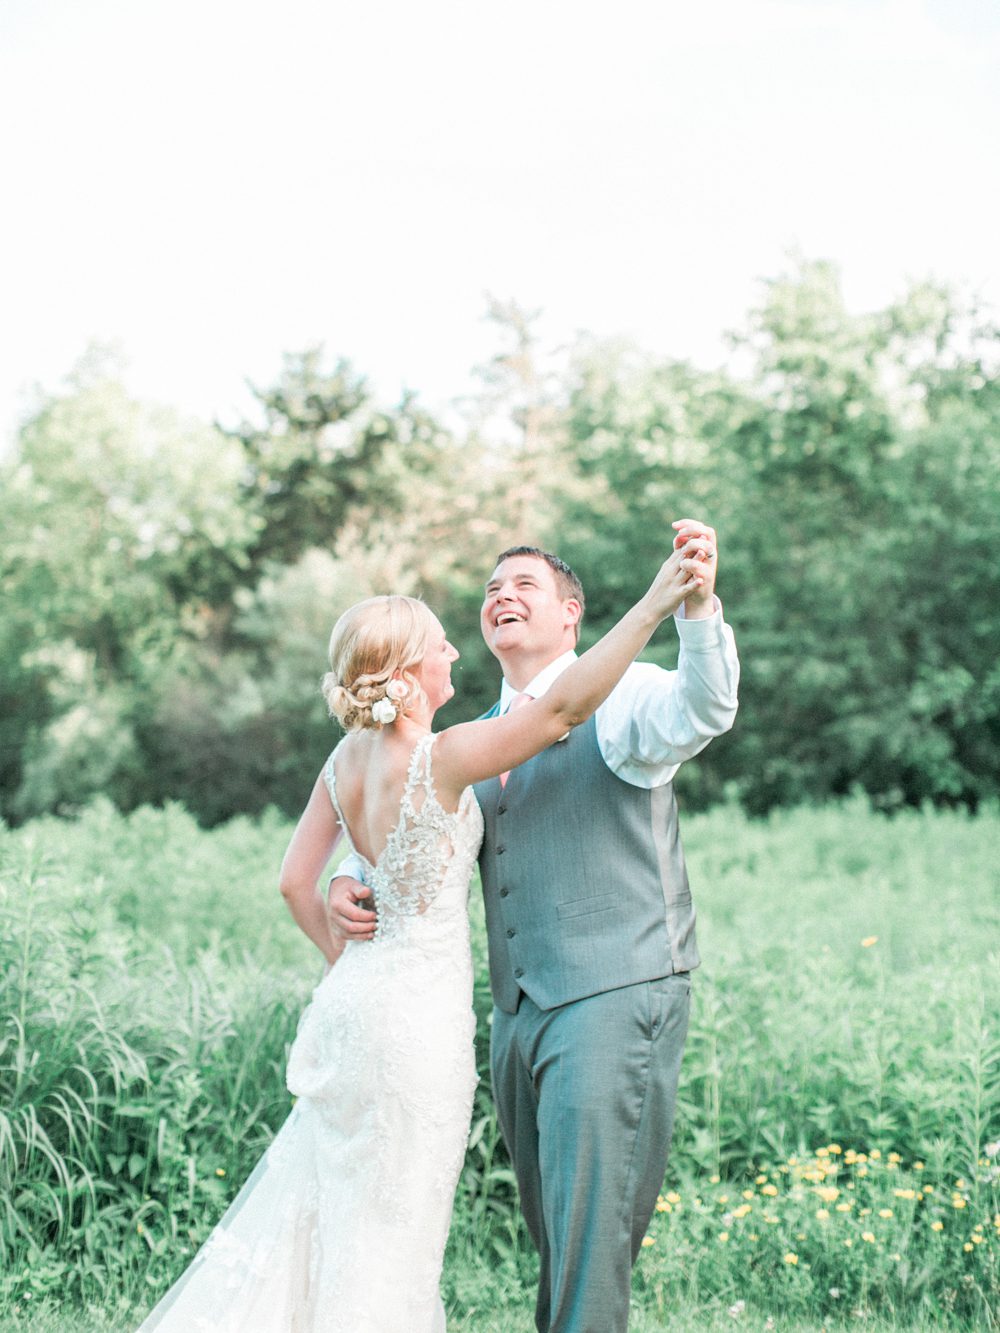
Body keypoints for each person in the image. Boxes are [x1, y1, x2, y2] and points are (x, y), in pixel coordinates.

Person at [136, 536, 711, 1333]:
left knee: (340, 1206)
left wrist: (351, 917)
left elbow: (295, 879)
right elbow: (560, 711)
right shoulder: (447, 755)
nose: (455, 648)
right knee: (393, 1228)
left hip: (360, 1000)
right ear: (408, 672)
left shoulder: (346, 759)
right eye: (439, 642)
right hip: (416, 1024)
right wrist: (654, 602)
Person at [329, 518, 739, 1333]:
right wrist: (351, 870)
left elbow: (705, 707)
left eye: (523, 585)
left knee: (591, 1234)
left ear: (571, 615)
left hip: (615, 986)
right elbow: (404, 816)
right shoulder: (467, 735)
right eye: (490, 588)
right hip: (517, 1010)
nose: (500, 596)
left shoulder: (624, 694)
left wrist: (694, 610)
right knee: (556, 1226)